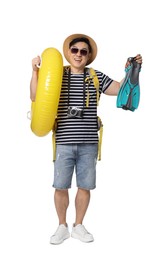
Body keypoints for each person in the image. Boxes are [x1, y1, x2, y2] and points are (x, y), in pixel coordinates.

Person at [30, 33, 142, 245]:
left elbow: (119, 89)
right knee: (61, 185)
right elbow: (35, 95)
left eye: (83, 51)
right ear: (68, 53)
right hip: (63, 140)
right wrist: (35, 71)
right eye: (75, 50)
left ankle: (78, 226)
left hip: (89, 142)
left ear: (88, 55)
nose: (78, 55)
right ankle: (62, 226)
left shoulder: (95, 77)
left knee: (85, 186)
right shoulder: (56, 75)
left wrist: (131, 70)